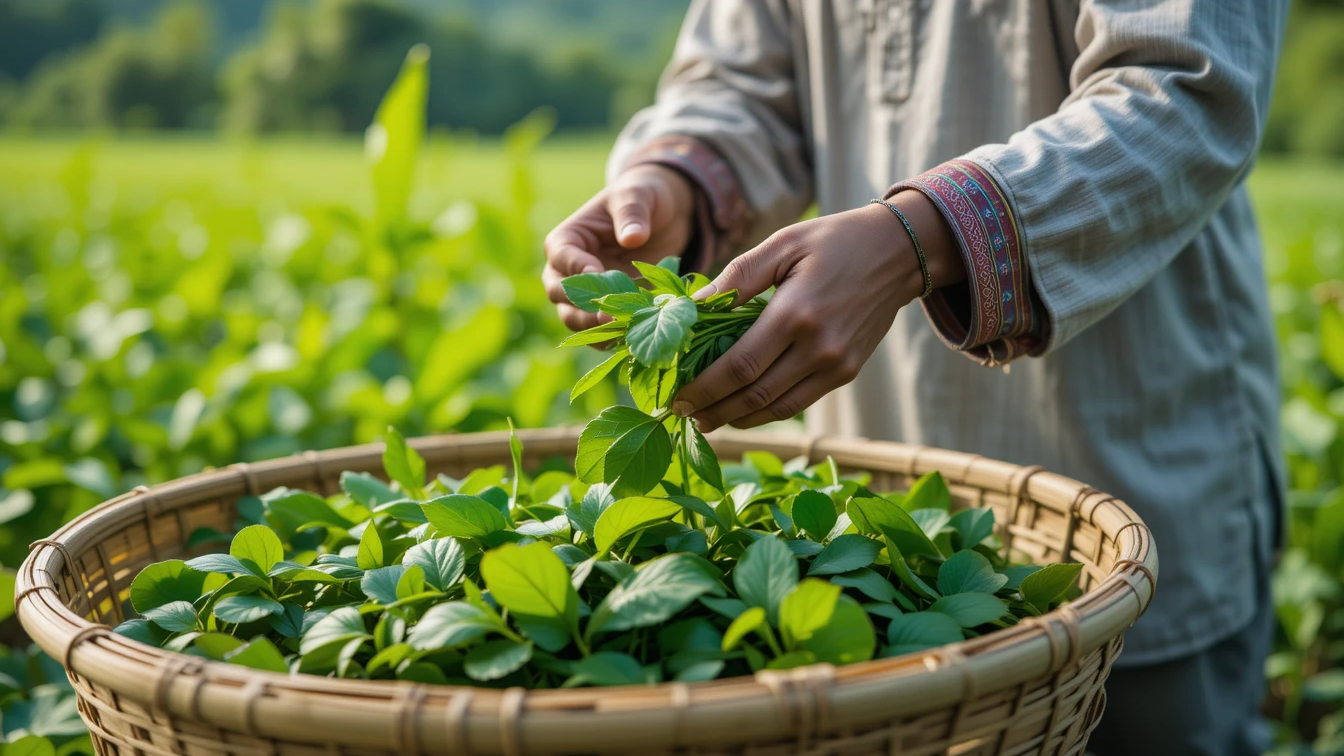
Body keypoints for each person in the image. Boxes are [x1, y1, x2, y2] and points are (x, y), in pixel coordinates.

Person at [542, 2, 1287, 753]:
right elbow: (742, 81)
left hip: (1130, 451)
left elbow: (1185, 86)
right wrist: (677, 185)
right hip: (869, 502)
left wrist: (913, 240)